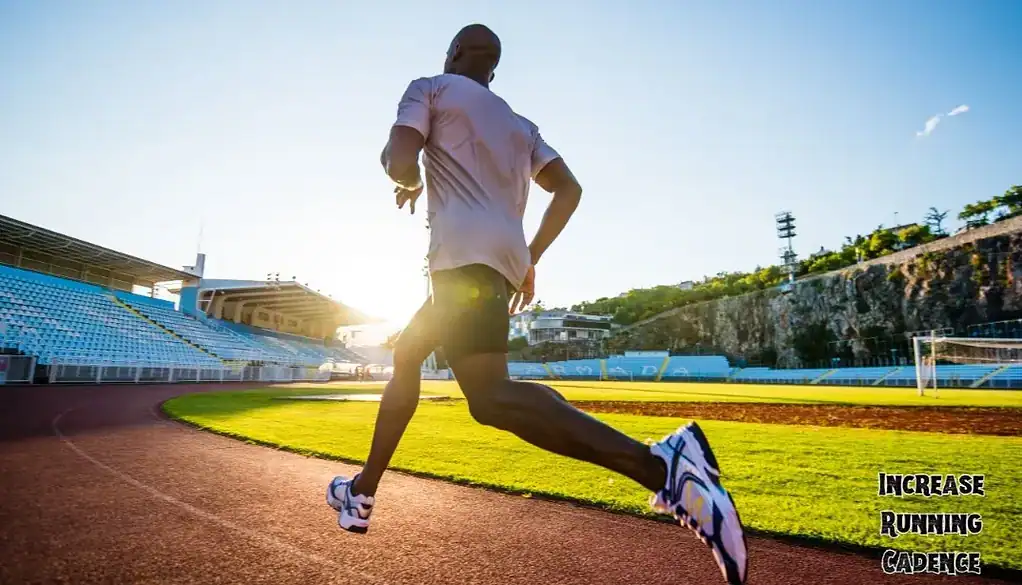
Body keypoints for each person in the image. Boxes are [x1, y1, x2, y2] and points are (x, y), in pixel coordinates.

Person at [326, 24, 748, 585]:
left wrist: (404, 178)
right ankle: (361, 493)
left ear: (452, 55)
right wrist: (530, 257)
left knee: (492, 399)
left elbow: (398, 158)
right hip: (495, 265)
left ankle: (663, 466)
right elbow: (569, 189)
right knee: (408, 356)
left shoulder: (428, 88)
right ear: (493, 68)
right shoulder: (522, 127)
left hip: (461, 262)